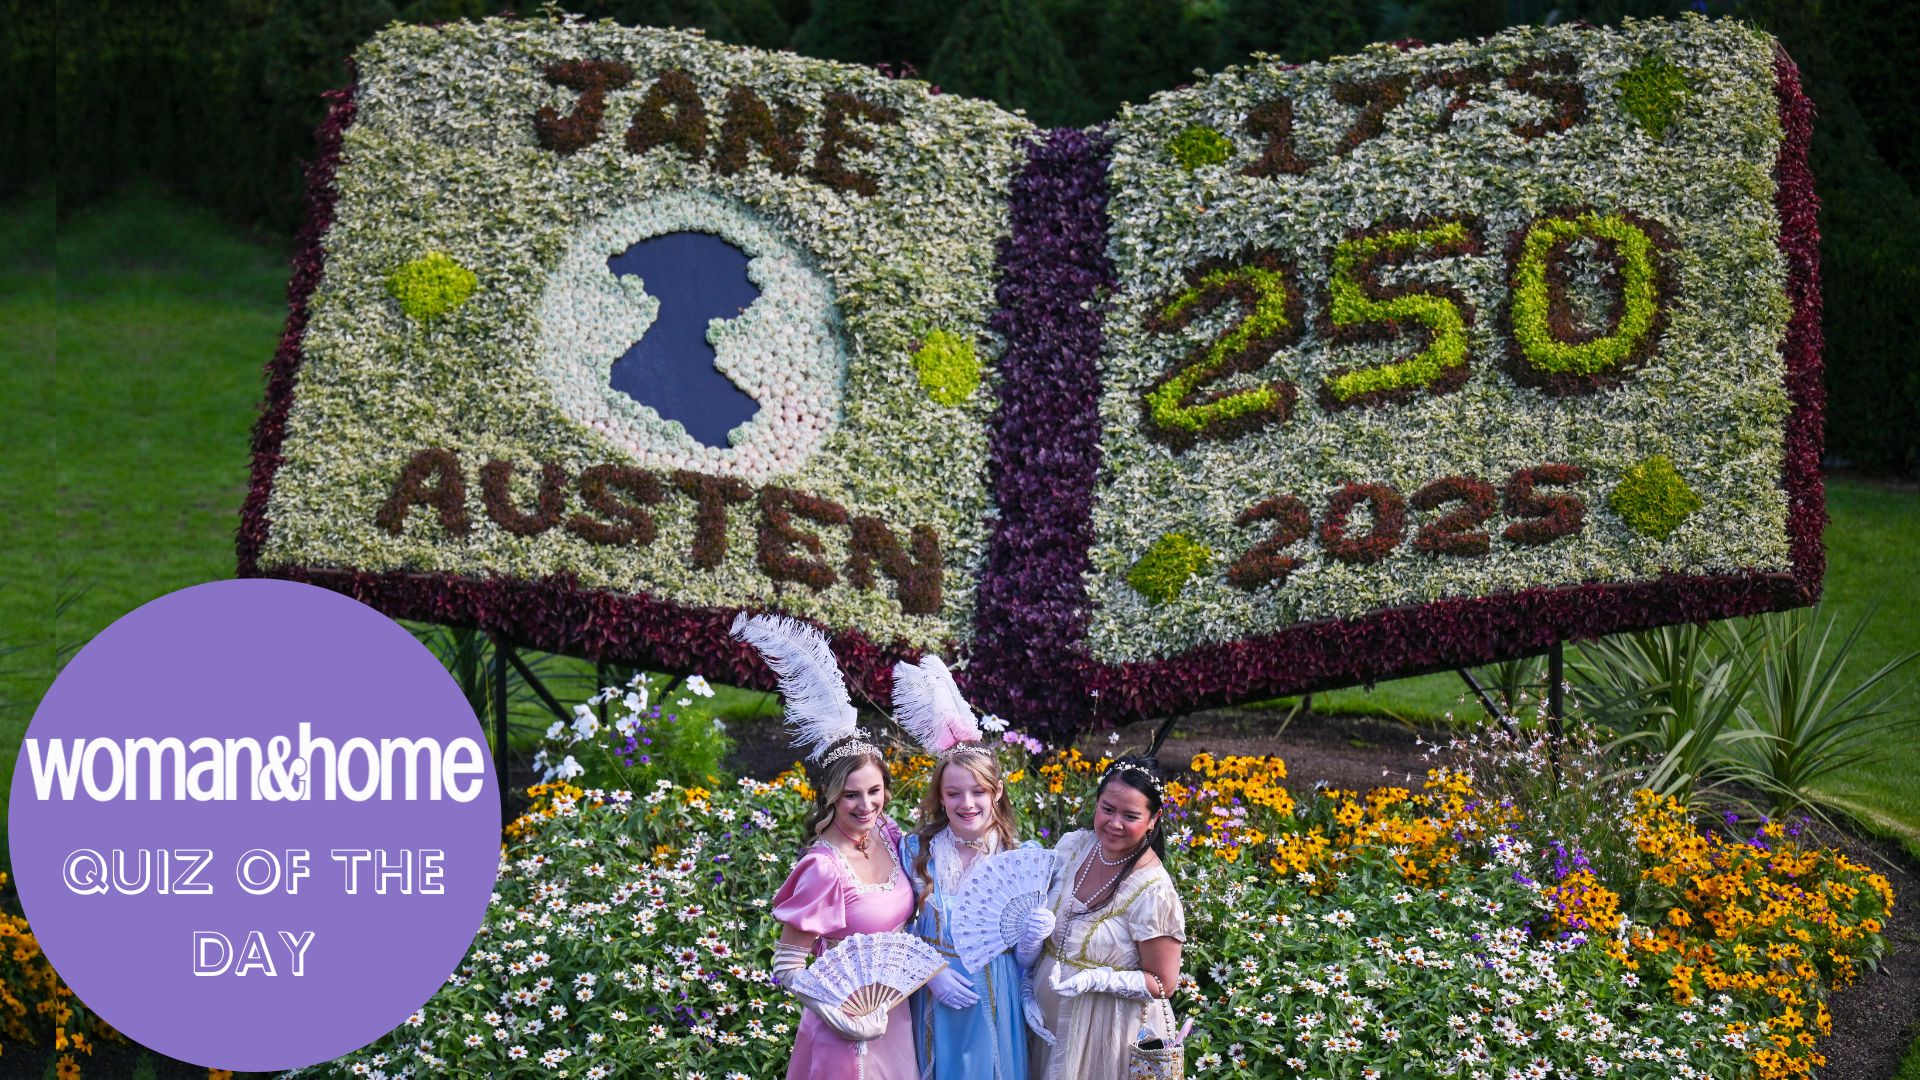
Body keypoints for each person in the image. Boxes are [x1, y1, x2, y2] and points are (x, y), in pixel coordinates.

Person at [735, 613, 920, 1080]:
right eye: (850, 794)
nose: (865, 805)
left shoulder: (889, 833)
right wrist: (839, 1014)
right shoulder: (824, 868)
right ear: (830, 796)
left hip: (894, 1015)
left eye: (874, 791)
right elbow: (788, 964)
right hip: (845, 1030)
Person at [1021, 755, 1185, 1080]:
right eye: (1107, 809)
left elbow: (1164, 984)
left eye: (1131, 816)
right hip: (1042, 1020)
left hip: (1103, 1032)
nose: (1114, 823)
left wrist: (1097, 978)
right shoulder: (1074, 846)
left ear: (1154, 819)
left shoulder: (1154, 891)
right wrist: (1026, 983)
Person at [900, 731, 1037, 1078]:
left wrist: (1033, 938)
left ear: (998, 791)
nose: (967, 803)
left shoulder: (1019, 858)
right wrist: (930, 973)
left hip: (994, 992)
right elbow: (899, 927)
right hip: (932, 989)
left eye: (979, 792)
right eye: (953, 793)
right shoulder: (917, 851)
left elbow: (1024, 959)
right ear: (940, 797)